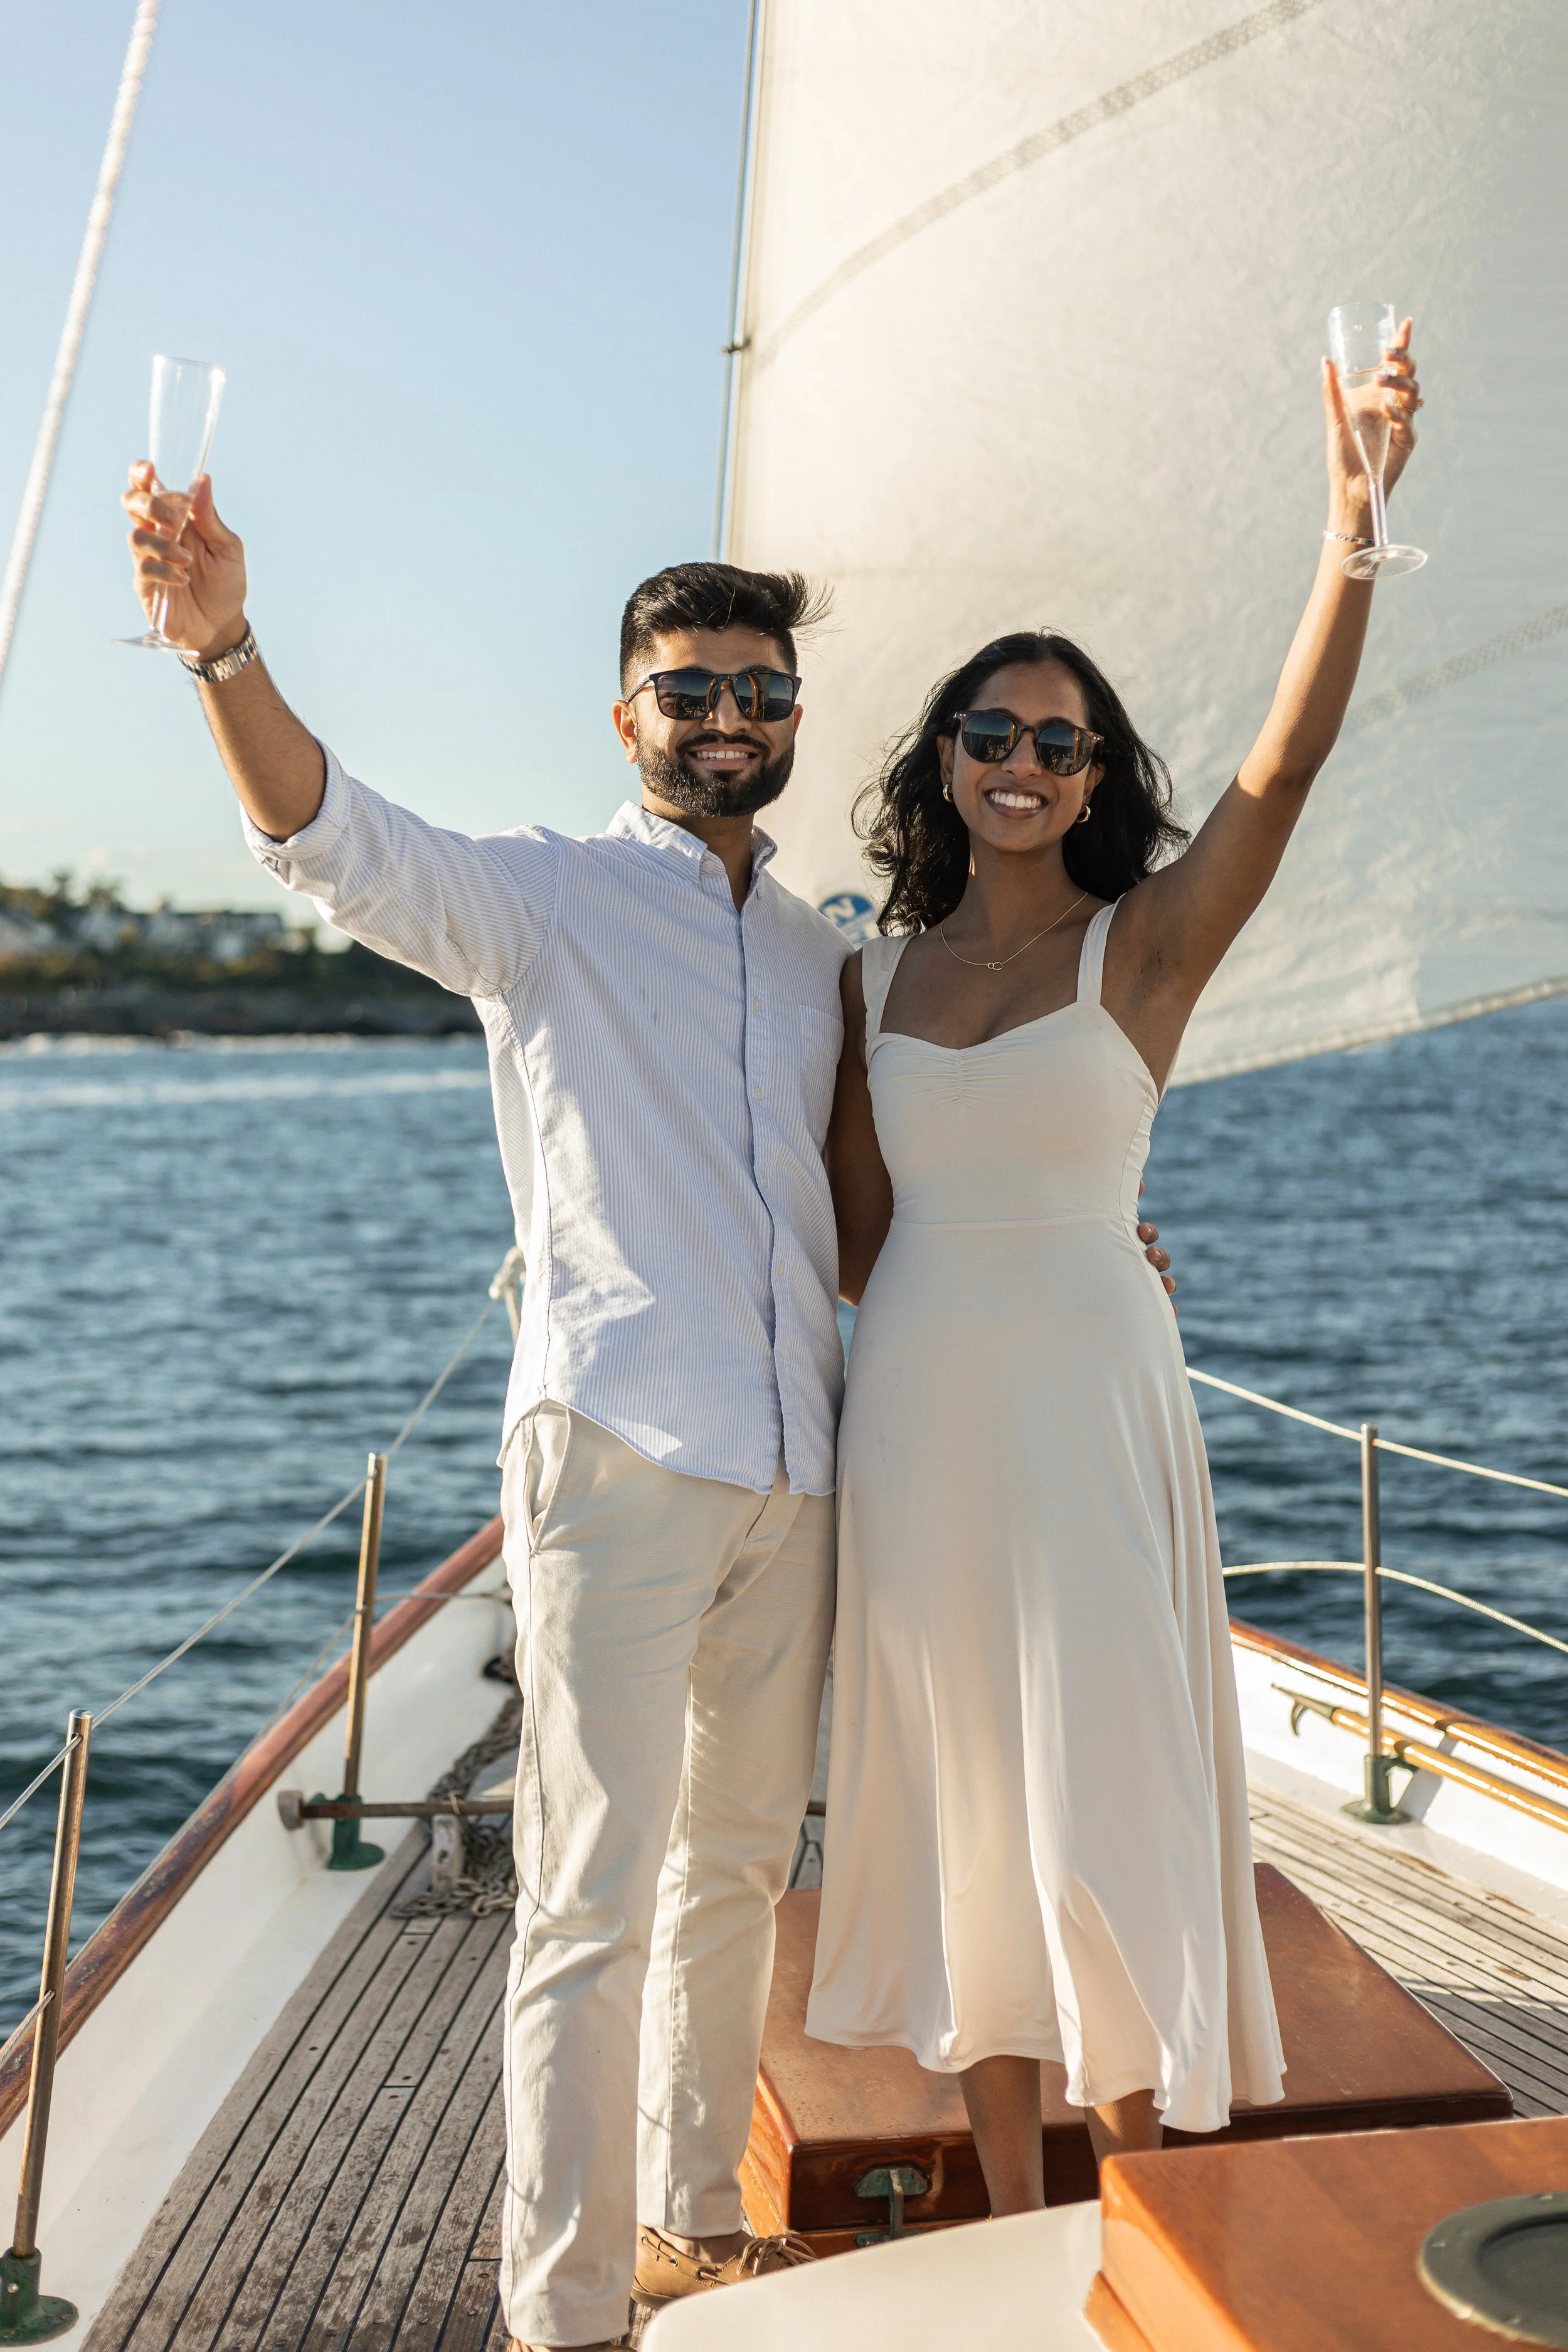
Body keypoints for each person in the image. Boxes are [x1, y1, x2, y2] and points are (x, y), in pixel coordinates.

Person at [117, 473, 1181, 2344]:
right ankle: (565, 2305)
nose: (728, 720)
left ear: (789, 719)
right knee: (590, 1900)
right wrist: (223, 648)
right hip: (616, 1449)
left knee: (731, 1877)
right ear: (629, 717)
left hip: (801, 1460)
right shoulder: (540, 898)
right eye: (690, 691)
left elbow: (891, 1189)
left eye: (759, 692)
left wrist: (1086, 1240)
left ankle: (694, 2221)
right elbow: (331, 835)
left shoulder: (817, 958)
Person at [810, 329, 1424, 2209]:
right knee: (965, 1797)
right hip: (918, 1403)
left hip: (1089, 1396)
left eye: (1056, 741)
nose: (1018, 761)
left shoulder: (1143, 949)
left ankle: (1146, 2204)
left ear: (1092, 778)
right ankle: (1015, 2212)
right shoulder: (861, 978)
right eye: (988, 732)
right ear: (941, 758)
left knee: (1097, 1783)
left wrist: (1350, 534)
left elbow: (1286, 764)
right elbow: (848, 1238)